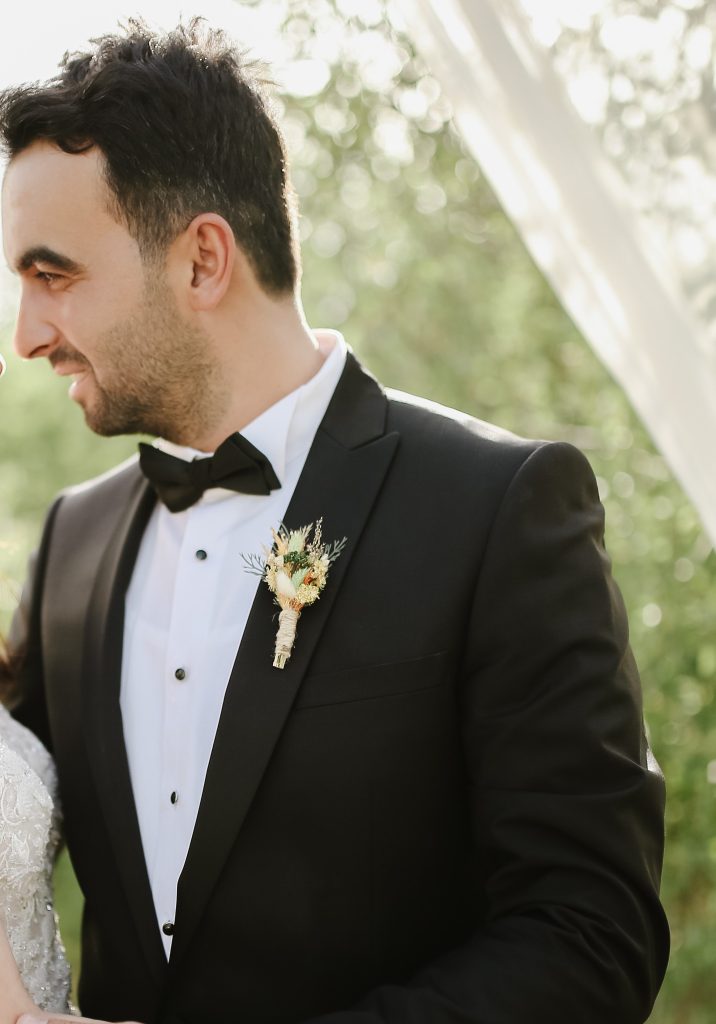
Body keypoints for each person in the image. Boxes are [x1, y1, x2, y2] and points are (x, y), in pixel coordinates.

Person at [0, 17, 668, 1024]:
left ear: (202, 260)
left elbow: (589, 936)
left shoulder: (498, 508)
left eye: (53, 276)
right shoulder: (72, 546)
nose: (25, 334)